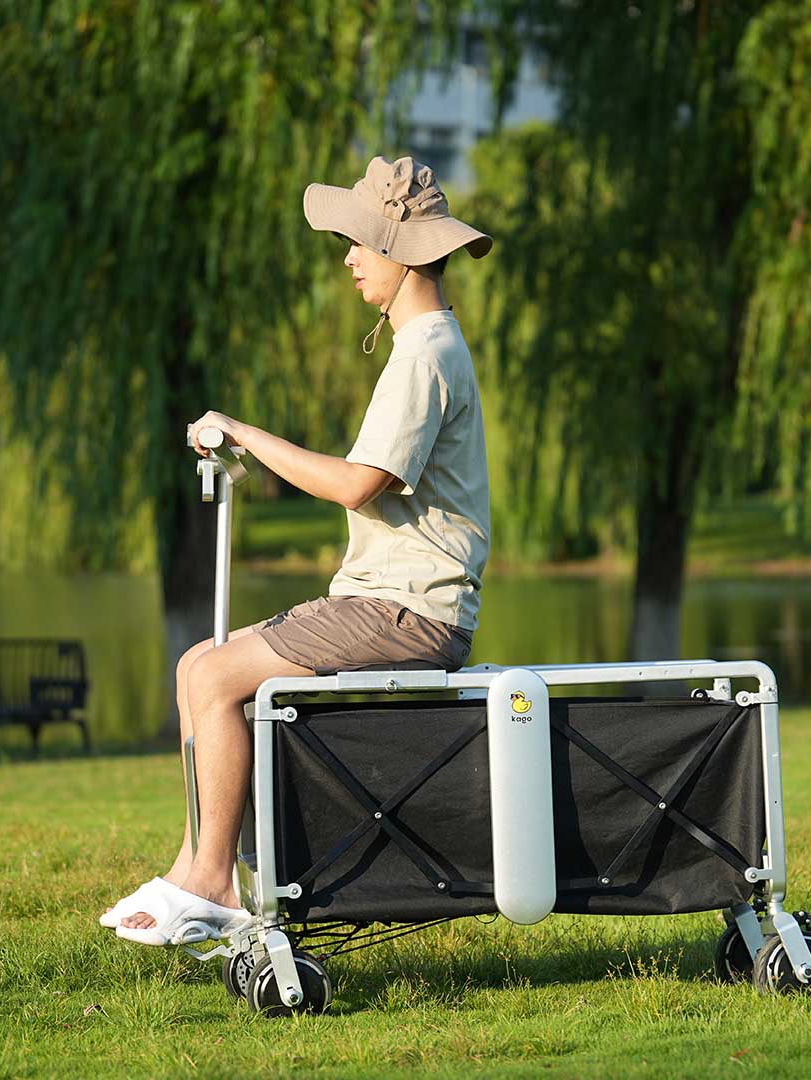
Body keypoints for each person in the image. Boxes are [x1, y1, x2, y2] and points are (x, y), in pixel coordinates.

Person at [104, 155, 493, 945]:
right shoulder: (423, 346)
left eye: (358, 242)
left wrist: (245, 433)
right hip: (383, 603)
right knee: (196, 669)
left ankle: (213, 882)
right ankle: (199, 865)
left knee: (212, 675)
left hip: (407, 613)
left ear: (402, 250)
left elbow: (359, 484)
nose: (348, 258)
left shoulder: (424, 355)